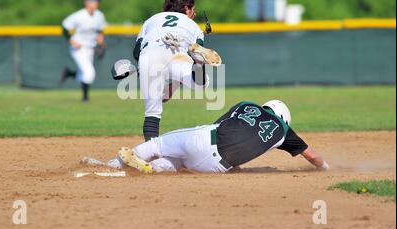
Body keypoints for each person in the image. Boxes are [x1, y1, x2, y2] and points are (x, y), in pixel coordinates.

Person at [82, 99, 330, 174]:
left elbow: (219, 124)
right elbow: (314, 157)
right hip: (217, 166)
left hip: (207, 138)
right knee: (179, 164)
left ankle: (111, 165)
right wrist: (327, 168)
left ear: (267, 107)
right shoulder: (283, 131)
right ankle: (150, 169)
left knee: (158, 144)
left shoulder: (247, 105)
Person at [130, 0, 221, 141]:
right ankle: (199, 64)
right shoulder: (193, 25)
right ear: (186, 8)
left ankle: (149, 153)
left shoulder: (150, 20)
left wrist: (145, 73)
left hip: (150, 54)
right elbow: (195, 49)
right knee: (201, 83)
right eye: (192, 9)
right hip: (178, 54)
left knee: (152, 112)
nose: (194, 13)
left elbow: (137, 52)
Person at [60, 0, 107, 102]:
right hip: (78, 48)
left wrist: (101, 43)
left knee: (84, 75)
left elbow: (100, 31)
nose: (94, 3)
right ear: (85, 2)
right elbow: (64, 27)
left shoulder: (99, 16)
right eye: (92, 0)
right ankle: (85, 98)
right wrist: (71, 41)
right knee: (89, 73)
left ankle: (69, 73)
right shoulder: (79, 15)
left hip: (90, 48)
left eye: (96, 1)